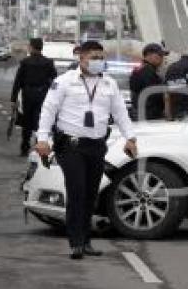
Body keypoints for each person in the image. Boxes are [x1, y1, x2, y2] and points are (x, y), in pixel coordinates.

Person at [36, 41, 138, 260]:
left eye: (101, 57)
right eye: (93, 57)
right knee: (77, 190)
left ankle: (86, 240)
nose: (98, 61)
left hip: (97, 146)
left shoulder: (109, 84)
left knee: (91, 194)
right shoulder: (64, 82)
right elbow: (48, 110)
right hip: (71, 146)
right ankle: (75, 242)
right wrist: (42, 139)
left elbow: (121, 113)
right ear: (80, 58)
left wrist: (130, 138)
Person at [11, 38, 57, 156]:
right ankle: (39, 147)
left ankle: (24, 148)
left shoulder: (25, 62)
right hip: (43, 94)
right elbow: (55, 81)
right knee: (40, 122)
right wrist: (55, 96)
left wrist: (13, 99)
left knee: (26, 122)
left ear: (31, 47)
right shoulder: (48, 62)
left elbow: (18, 81)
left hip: (28, 94)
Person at [129, 43, 168, 120]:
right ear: (149, 55)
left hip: (143, 113)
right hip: (148, 115)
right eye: (160, 55)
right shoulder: (146, 71)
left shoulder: (144, 69)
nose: (162, 58)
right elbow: (154, 93)